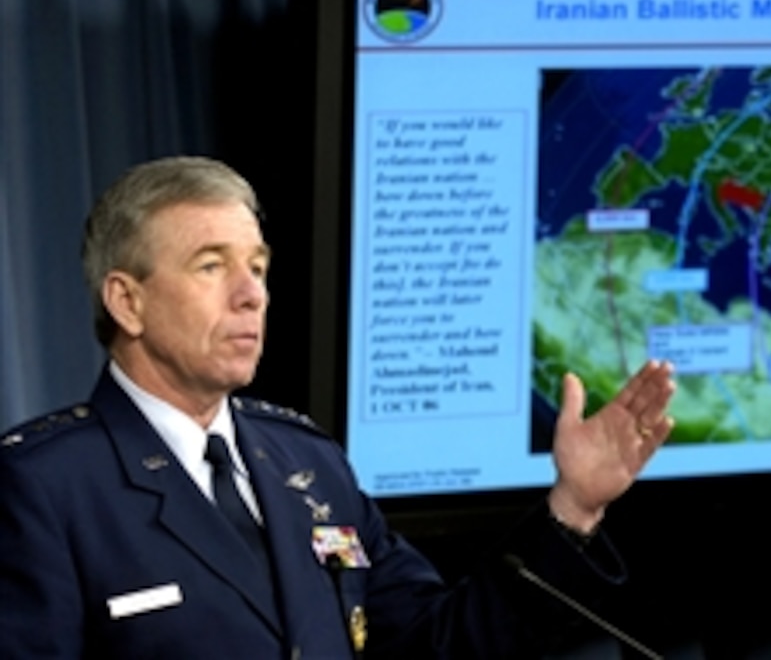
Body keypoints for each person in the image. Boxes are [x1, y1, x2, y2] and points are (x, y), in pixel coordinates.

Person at [0, 156, 675, 659]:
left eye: (258, 267)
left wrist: (574, 507)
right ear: (127, 301)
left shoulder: (309, 462)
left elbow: (433, 644)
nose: (251, 295)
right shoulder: (42, 488)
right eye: (211, 265)